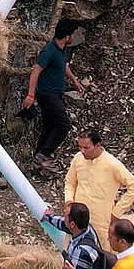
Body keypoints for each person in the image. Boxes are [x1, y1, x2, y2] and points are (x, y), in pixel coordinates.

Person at [24, 18, 86, 171]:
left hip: (56, 94)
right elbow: (35, 72)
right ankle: (43, 155)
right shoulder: (49, 51)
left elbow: (64, 65)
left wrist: (75, 81)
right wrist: (31, 95)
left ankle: (37, 162)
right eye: (72, 34)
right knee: (63, 125)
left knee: (49, 126)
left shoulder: (62, 49)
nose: (73, 37)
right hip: (47, 95)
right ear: (67, 36)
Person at [63, 130, 134, 251]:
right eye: (80, 147)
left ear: (98, 146)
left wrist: (116, 213)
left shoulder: (112, 164)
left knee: (101, 257)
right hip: (77, 218)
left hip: (100, 220)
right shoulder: (78, 159)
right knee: (73, 252)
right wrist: (69, 201)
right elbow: (70, 182)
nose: (82, 151)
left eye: (86, 147)